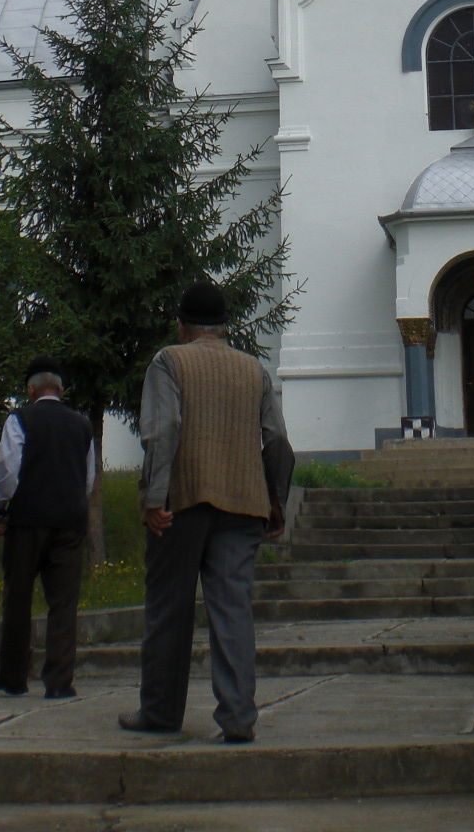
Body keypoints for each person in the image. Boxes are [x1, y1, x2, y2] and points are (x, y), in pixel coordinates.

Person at [118, 281, 295, 743]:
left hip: (183, 502)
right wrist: (276, 498)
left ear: (183, 324)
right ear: (223, 326)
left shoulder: (169, 361)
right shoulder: (252, 369)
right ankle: (238, 718)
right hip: (243, 504)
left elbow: (164, 428)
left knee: (168, 609)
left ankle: (159, 711)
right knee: (233, 609)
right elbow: (276, 438)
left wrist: (155, 498)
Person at [0, 355, 95, 699]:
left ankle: (14, 675)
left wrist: (1, 510)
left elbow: (7, 471)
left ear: (31, 389)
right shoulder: (82, 424)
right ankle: (60, 682)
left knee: (18, 597)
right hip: (70, 523)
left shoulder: (20, 420)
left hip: (28, 522)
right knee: (63, 603)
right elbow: (88, 478)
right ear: (60, 389)